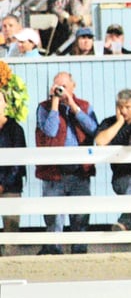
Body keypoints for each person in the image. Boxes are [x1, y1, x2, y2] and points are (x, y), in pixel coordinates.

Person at [35, 72, 99, 255]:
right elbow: (50, 131)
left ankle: (79, 253)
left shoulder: (84, 106)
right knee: (54, 218)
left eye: (63, 86)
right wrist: (55, 103)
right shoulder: (44, 107)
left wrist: (73, 106)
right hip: (54, 173)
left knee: (80, 216)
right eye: (57, 86)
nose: (60, 89)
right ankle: (53, 253)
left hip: (79, 172)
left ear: (73, 87)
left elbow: (94, 129)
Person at [94, 89, 131, 235]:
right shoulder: (108, 123)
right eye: (120, 107)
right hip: (121, 178)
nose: (123, 111)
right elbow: (100, 141)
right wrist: (119, 123)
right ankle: (125, 221)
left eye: (128, 107)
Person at [0, 81, 25, 255]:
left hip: (10, 186)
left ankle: (10, 259)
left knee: (11, 228)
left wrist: (3, 184)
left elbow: (17, 162)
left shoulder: (15, 129)